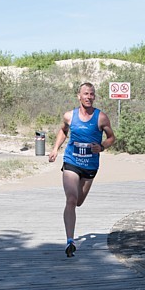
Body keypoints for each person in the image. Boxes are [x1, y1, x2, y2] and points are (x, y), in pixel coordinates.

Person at [48, 82, 115, 257]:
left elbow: (111, 137)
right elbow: (63, 131)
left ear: (94, 97)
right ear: (79, 96)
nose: (88, 97)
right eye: (85, 94)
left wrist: (101, 146)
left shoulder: (101, 118)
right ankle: (70, 241)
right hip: (71, 161)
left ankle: (71, 235)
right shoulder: (70, 116)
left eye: (91, 94)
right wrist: (55, 149)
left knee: (78, 201)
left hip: (90, 165)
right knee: (71, 199)